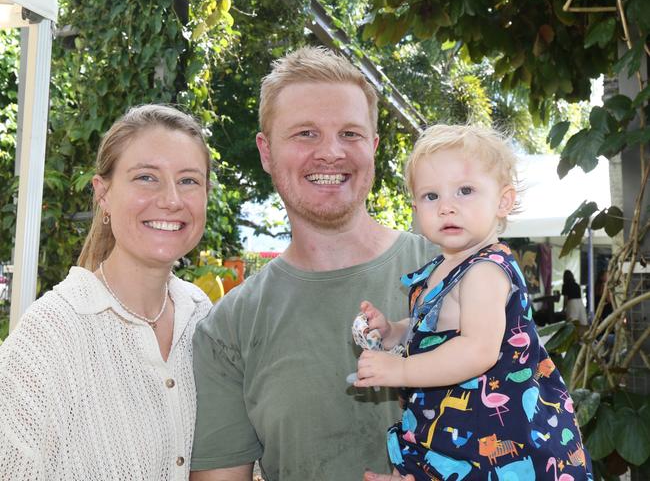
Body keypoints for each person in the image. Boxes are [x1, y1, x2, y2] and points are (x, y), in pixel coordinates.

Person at [190, 46, 436, 481]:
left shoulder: (455, 273)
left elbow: (527, 436)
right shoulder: (230, 327)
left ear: (373, 148)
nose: (330, 153)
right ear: (266, 152)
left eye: (350, 134)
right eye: (305, 133)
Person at [356, 125, 593, 481]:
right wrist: (394, 332)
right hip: (450, 427)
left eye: (465, 191)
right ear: (416, 206)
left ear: (503, 201)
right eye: (431, 196)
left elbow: (478, 349)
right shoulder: (439, 268)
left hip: (493, 441)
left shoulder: (484, 270)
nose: (447, 207)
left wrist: (400, 371)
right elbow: (434, 329)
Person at [0, 104, 213, 480]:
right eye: (147, 177)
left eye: (189, 181)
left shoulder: (203, 316)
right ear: (103, 194)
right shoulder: (49, 337)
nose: (171, 199)